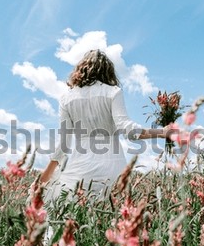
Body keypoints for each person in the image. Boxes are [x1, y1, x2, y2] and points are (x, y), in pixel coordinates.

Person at [40, 49, 168, 202]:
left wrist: (45, 178)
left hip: (78, 170)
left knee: (72, 218)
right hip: (111, 169)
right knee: (108, 221)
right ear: (108, 71)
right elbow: (128, 130)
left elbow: (64, 144)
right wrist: (162, 132)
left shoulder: (66, 99)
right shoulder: (113, 92)